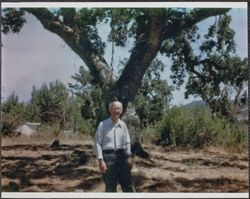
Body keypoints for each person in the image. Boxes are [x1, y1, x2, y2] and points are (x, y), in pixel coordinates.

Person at [94, 101, 136, 192]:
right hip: (108, 158)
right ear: (109, 110)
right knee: (110, 187)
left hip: (122, 156)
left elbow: (127, 142)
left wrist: (129, 157)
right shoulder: (102, 125)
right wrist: (101, 161)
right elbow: (97, 143)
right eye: (114, 108)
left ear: (121, 111)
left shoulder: (123, 125)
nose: (116, 110)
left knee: (128, 185)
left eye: (118, 108)